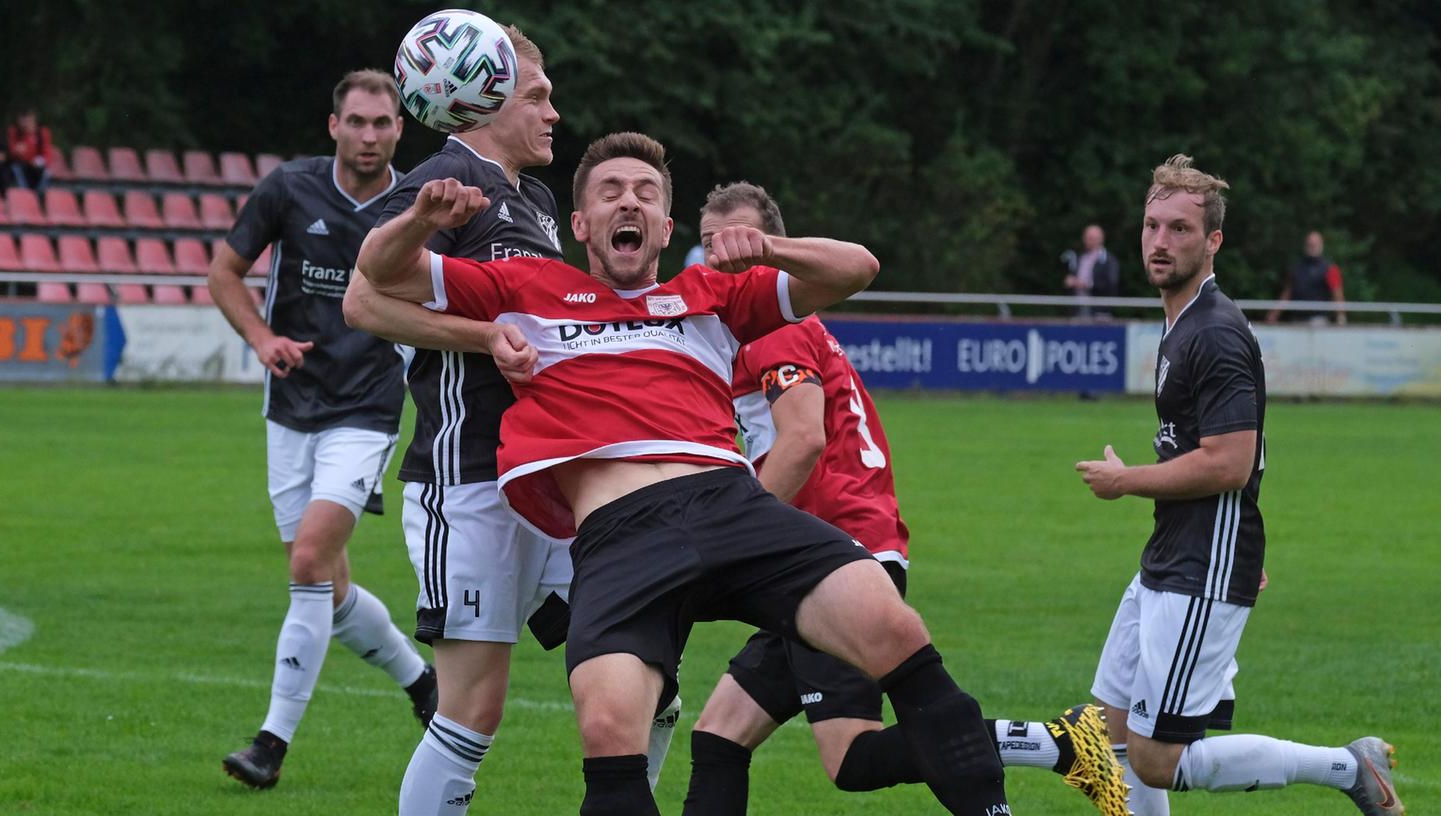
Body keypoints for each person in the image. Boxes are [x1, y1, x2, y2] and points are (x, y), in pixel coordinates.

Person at [358, 131, 1012, 816]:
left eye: (645, 194)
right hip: (620, 535)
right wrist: (420, 220)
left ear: (666, 227)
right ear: (580, 225)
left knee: (899, 636)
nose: (628, 203)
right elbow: (377, 273)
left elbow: (856, 267)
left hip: (732, 505)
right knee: (610, 735)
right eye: (609, 193)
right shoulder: (526, 286)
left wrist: (766, 248)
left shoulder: (709, 293)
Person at [682, 181, 1127, 816]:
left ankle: (1059, 744)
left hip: (828, 559)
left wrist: (722, 538)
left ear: (779, 250)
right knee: (719, 735)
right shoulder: (763, 325)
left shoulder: (770, 331)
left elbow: (803, 439)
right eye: (711, 248)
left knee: (852, 758)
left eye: (742, 247)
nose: (725, 260)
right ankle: (1061, 744)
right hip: (824, 551)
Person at [342, 29, 678, 815]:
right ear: (482, 98)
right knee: (471, 710)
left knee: (646, 679)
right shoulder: (444, 179)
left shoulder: (528, 199)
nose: (554, 113)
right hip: (471, 482)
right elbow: (362, 297)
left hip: (553, 483)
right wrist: (481, 333)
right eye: (537, 96)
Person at [1075, 154, 1402, 816]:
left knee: (1154, 758)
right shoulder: (1181, 323)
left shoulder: (1215, 332)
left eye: (1179, 230)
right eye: (1150, 226)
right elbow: (1240, 453)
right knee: (1108, 731)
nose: (1159, 242)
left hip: (1200, 562)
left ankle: (1347, 767)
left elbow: (1229, 461)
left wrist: (1124, 481)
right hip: (1176, 552)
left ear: (1212, 241)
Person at [208, 69, 435, 790]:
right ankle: (421, 683)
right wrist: (260, 338)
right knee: (326, 587)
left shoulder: (415, 204)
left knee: (308, 564)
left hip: (367, 410)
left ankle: (270, 744)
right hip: (289, 406)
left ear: (400, 129)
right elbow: (224, 271)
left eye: (383, 123)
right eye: (357, 121)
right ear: (333, 125)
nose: (369, 135)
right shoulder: (287, 188)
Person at [1266, 230, 1347, 325]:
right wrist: (1274, 314)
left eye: (1315, 244)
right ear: (1305, 245)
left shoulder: (1330, 269)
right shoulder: (1296, 268)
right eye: (1310, 244)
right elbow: (1286, 294)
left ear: (1321, 245)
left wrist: (1341, 316)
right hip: (1297, 319)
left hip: (1319, 320)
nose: (1312, 247)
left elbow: (1337, 294)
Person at [1062, 224, 1120, 318]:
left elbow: (1112, 284)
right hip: (1078, 310)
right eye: (1086, 237)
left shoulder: (1109, 260)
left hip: (1100, 311)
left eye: (1091, 238)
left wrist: (1087, 285)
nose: (1087, 241)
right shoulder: (1081, 257)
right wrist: (1070, 281)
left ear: (1101, 239)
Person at [5, 109, 54, 190]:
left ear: (33, 119)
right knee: (16, 168)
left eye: (27, 120)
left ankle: (38, 197)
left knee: (46, 173)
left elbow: (47, 153)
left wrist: (39, 161)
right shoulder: (14, 131)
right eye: (22, 121)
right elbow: (11, 150)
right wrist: (16, 151)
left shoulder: (42, 132)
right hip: (21, 164)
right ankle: (26, 194)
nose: (25, 124)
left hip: (37, 166)